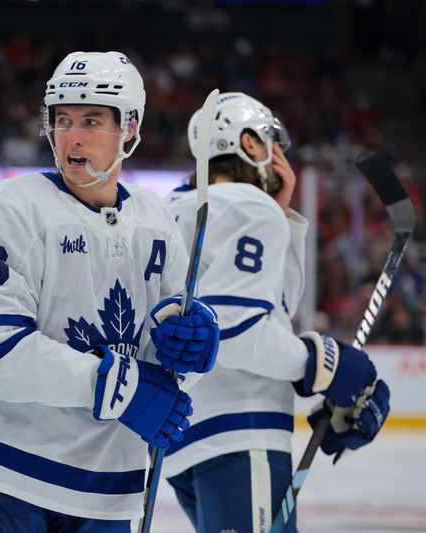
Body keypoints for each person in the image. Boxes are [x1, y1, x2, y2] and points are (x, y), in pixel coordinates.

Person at [0, 51, 220, 532]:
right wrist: (122, 388)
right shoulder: (13, 207)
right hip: (1, 475)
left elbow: (162, 370)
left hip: (107, 493)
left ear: (130, 127)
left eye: (92, 120)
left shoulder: (155, 219)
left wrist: (189, 346)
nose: (72, 137)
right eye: (62, 119)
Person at [163, 92, 392, 533]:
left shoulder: (170, 209)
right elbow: (234, 330)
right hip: (240, 430)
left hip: (182, 439)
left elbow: (219, 312)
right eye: (272, 141)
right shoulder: (251, 208)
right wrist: (323, 365)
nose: (279, 153)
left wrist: (281, 214)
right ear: (249, 144)